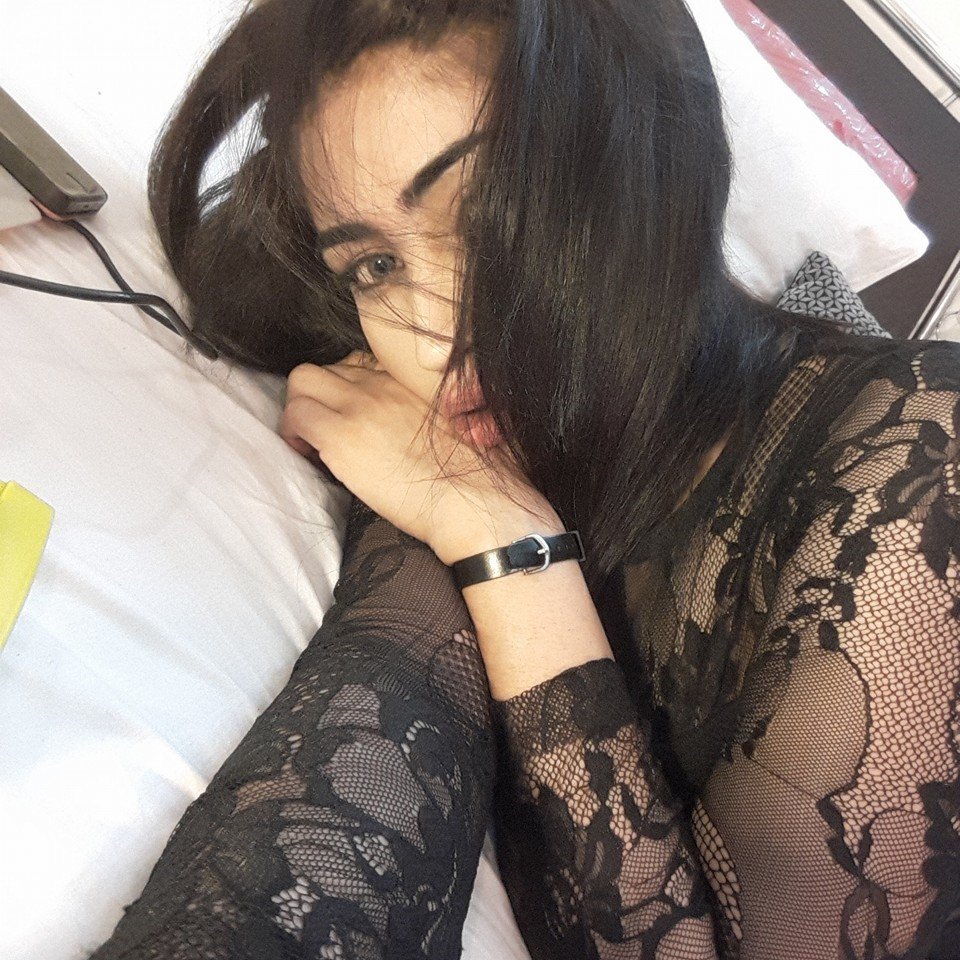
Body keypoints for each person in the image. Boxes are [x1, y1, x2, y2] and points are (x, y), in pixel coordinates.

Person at [87, 0, 960, 957]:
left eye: (490, 213)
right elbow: (359, 752)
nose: (433, 333)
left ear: (661, 163)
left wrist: (508, 549)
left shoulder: (924, 461)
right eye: (375, 265)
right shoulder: (452, 425)